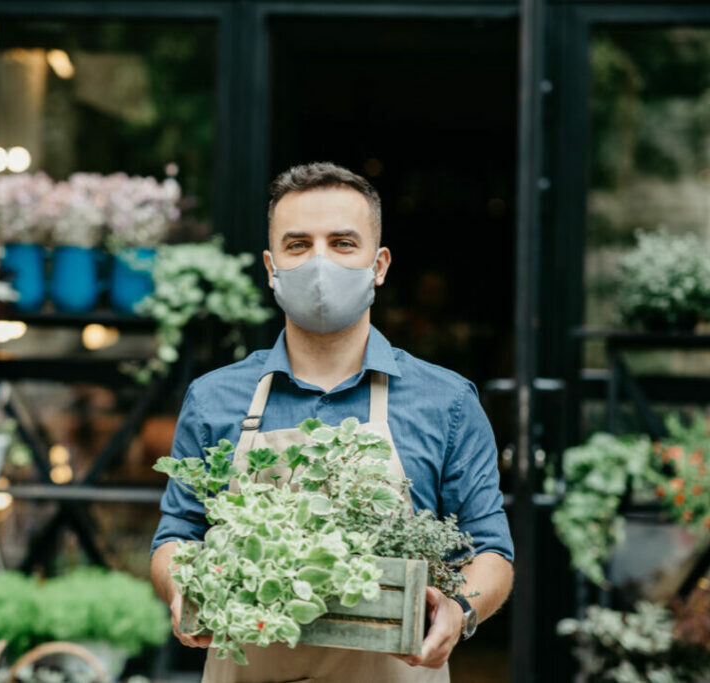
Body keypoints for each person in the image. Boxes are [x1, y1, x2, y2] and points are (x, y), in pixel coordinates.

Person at [150, 162, 514, 682]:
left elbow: (490, 549)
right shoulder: (214, 397)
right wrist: (182, 587)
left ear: (379, 264)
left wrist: (460, 610)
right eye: (298, 245)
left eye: (343, 243)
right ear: (271, 267)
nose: (320, 262)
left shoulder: (447, 401)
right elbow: (178, 533)